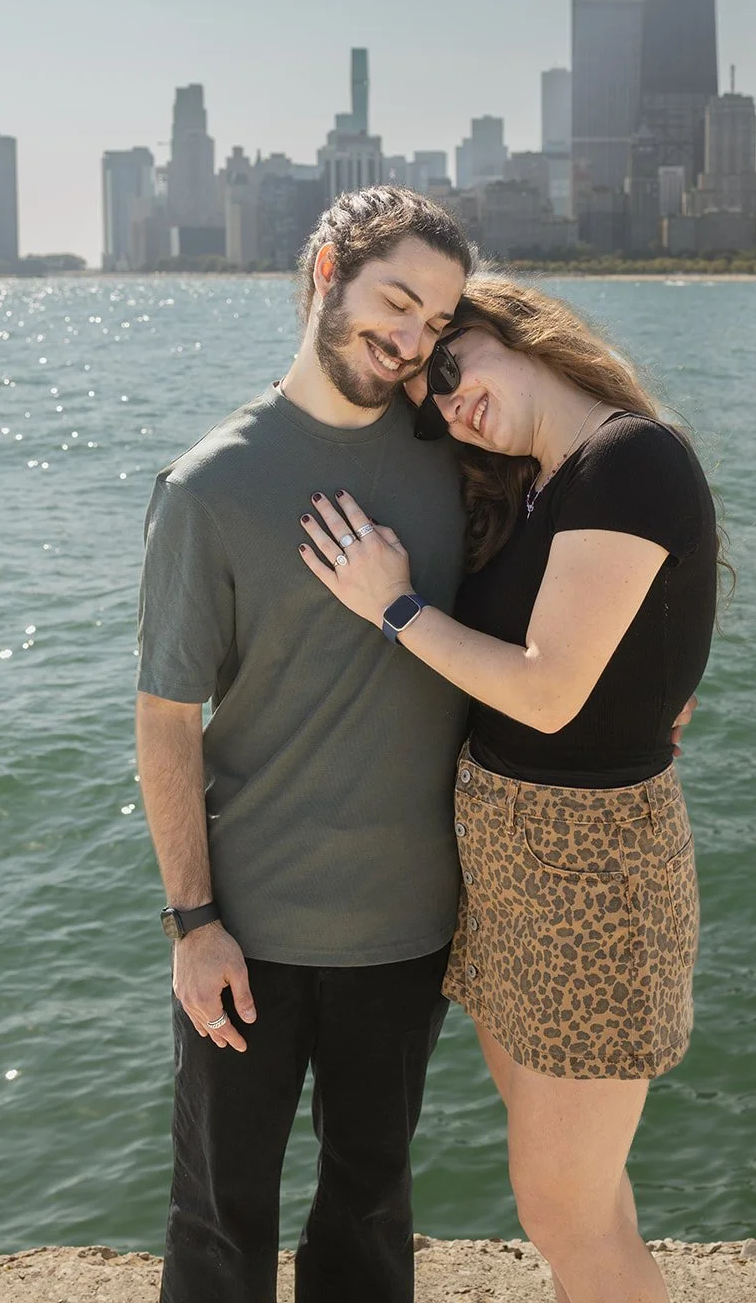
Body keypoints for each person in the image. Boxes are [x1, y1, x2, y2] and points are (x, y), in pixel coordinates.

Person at [298, 274, 719, 1303]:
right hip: (514, 868)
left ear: (522, 333)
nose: (449, 403)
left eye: (452, 364)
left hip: (592, 879)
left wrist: (389, 606)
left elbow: (546, 689)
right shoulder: (545, 479)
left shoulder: (629, 458)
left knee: (561, 1207)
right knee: (589, 1196)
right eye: (430, 405)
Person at [135, 187, 478, 1303]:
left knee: (371, 1209)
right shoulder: (209, 485)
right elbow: (167, 720)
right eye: (399, 300)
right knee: (222, 1221)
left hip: (408, 930)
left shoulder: (454, 461)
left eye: (437, 320)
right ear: (328, 269)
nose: (414, 337)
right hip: (252, 934)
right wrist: (194, 924)